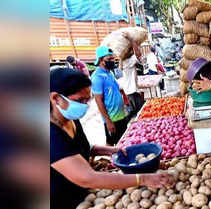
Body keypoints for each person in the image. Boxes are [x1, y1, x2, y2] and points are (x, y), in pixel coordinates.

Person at [50, 68, 175, 209]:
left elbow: (79, 147)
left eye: (87, 99)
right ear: (56, 98)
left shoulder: (70, 119)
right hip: (60, 201)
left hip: (83, 196)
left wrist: (108, 150)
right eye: (80, 100)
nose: (85, 105)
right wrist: (143, 178)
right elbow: (87, 178)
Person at [91, 46, 129, 146]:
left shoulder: (109, 73)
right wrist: (108, 121)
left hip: (120, 115)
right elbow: (98, 101)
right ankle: (108, 161)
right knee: (111, 143)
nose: (112, 61)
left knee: (123, 141)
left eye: (113, 58)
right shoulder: (97, 77)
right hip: (112, 118)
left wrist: (125, 101)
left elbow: (116, 89)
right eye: (109, 59)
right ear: (100, 60)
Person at [119, 32, 145, 119]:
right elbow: (138, 54)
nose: (132, 52)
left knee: (137, 111)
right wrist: (131, 39)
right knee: (140, 112)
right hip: (132, 91)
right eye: (130, 51)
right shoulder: (128, 62)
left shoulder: (123, 61)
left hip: (130, 90)